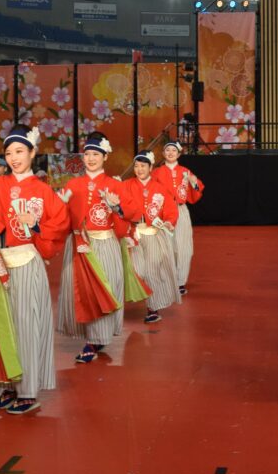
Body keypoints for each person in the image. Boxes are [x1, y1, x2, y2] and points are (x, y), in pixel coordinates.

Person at [0, 125, 71, 416]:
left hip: (27, 262)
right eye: (9, 152)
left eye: (20, 151)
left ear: (33, 152)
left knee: (26, 325)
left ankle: (28, 390)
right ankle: (8, 382)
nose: (14, 158)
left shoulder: (44, 191)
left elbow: (59, 225)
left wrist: (34, 225)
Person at [57, 133, 137, 362]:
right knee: (81, 291)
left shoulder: (114, 185)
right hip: (78, 245)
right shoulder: (72, 185)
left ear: (105, 156)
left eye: (96, 154)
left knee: (103, 288)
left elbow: (133, 214)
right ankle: (92, 337)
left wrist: (117, 206)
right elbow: (60, 216)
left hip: (104, 244)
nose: (91, 158)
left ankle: (95, 340)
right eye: (87, 154)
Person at [116, 150, 180, 323]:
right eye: (136, 166)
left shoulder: (160, 188)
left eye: (143, 166)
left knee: (152, 271)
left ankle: (153, 308)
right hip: (134, 234)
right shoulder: (126, 185)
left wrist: (168, 222)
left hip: (153, 234)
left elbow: (171, 210)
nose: (139, 169)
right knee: (138, 270)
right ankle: (135, 296)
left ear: (151, 167)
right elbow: (118, 205)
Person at [152, 141, 204, 296]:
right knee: (164, 247)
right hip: (162, 213)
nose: (170, 152)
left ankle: (180, 281)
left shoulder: (185, 171)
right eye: (167, 150)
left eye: (173, 150)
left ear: (179, 154)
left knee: (183, 247)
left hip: (180, 211)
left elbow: (197, 190)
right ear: (163, 153)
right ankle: (167, 280)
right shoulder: (156, 172)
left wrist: (194, 183)